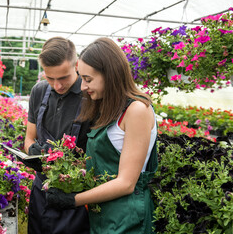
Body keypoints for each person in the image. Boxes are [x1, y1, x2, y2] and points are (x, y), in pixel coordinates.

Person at [46, 37, 158, 234]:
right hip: (103, 213)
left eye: (88, 80)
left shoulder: (136, 110)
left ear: (111, 75)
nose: (82, 87)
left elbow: (126, 183)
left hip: (127, 218)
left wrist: (72, 200)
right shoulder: (110, 108)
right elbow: (104, 163)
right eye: (82, 79)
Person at [22, 37, 91, 234]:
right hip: (40, 190)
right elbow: (29, 138)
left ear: (76, 66)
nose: (57, 86)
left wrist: (66, 162)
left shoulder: (90, 96)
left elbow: (99, 155)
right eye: (50, 78)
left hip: (74, 195)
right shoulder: (39, 91)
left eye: (63, 78)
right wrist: (32, 151)